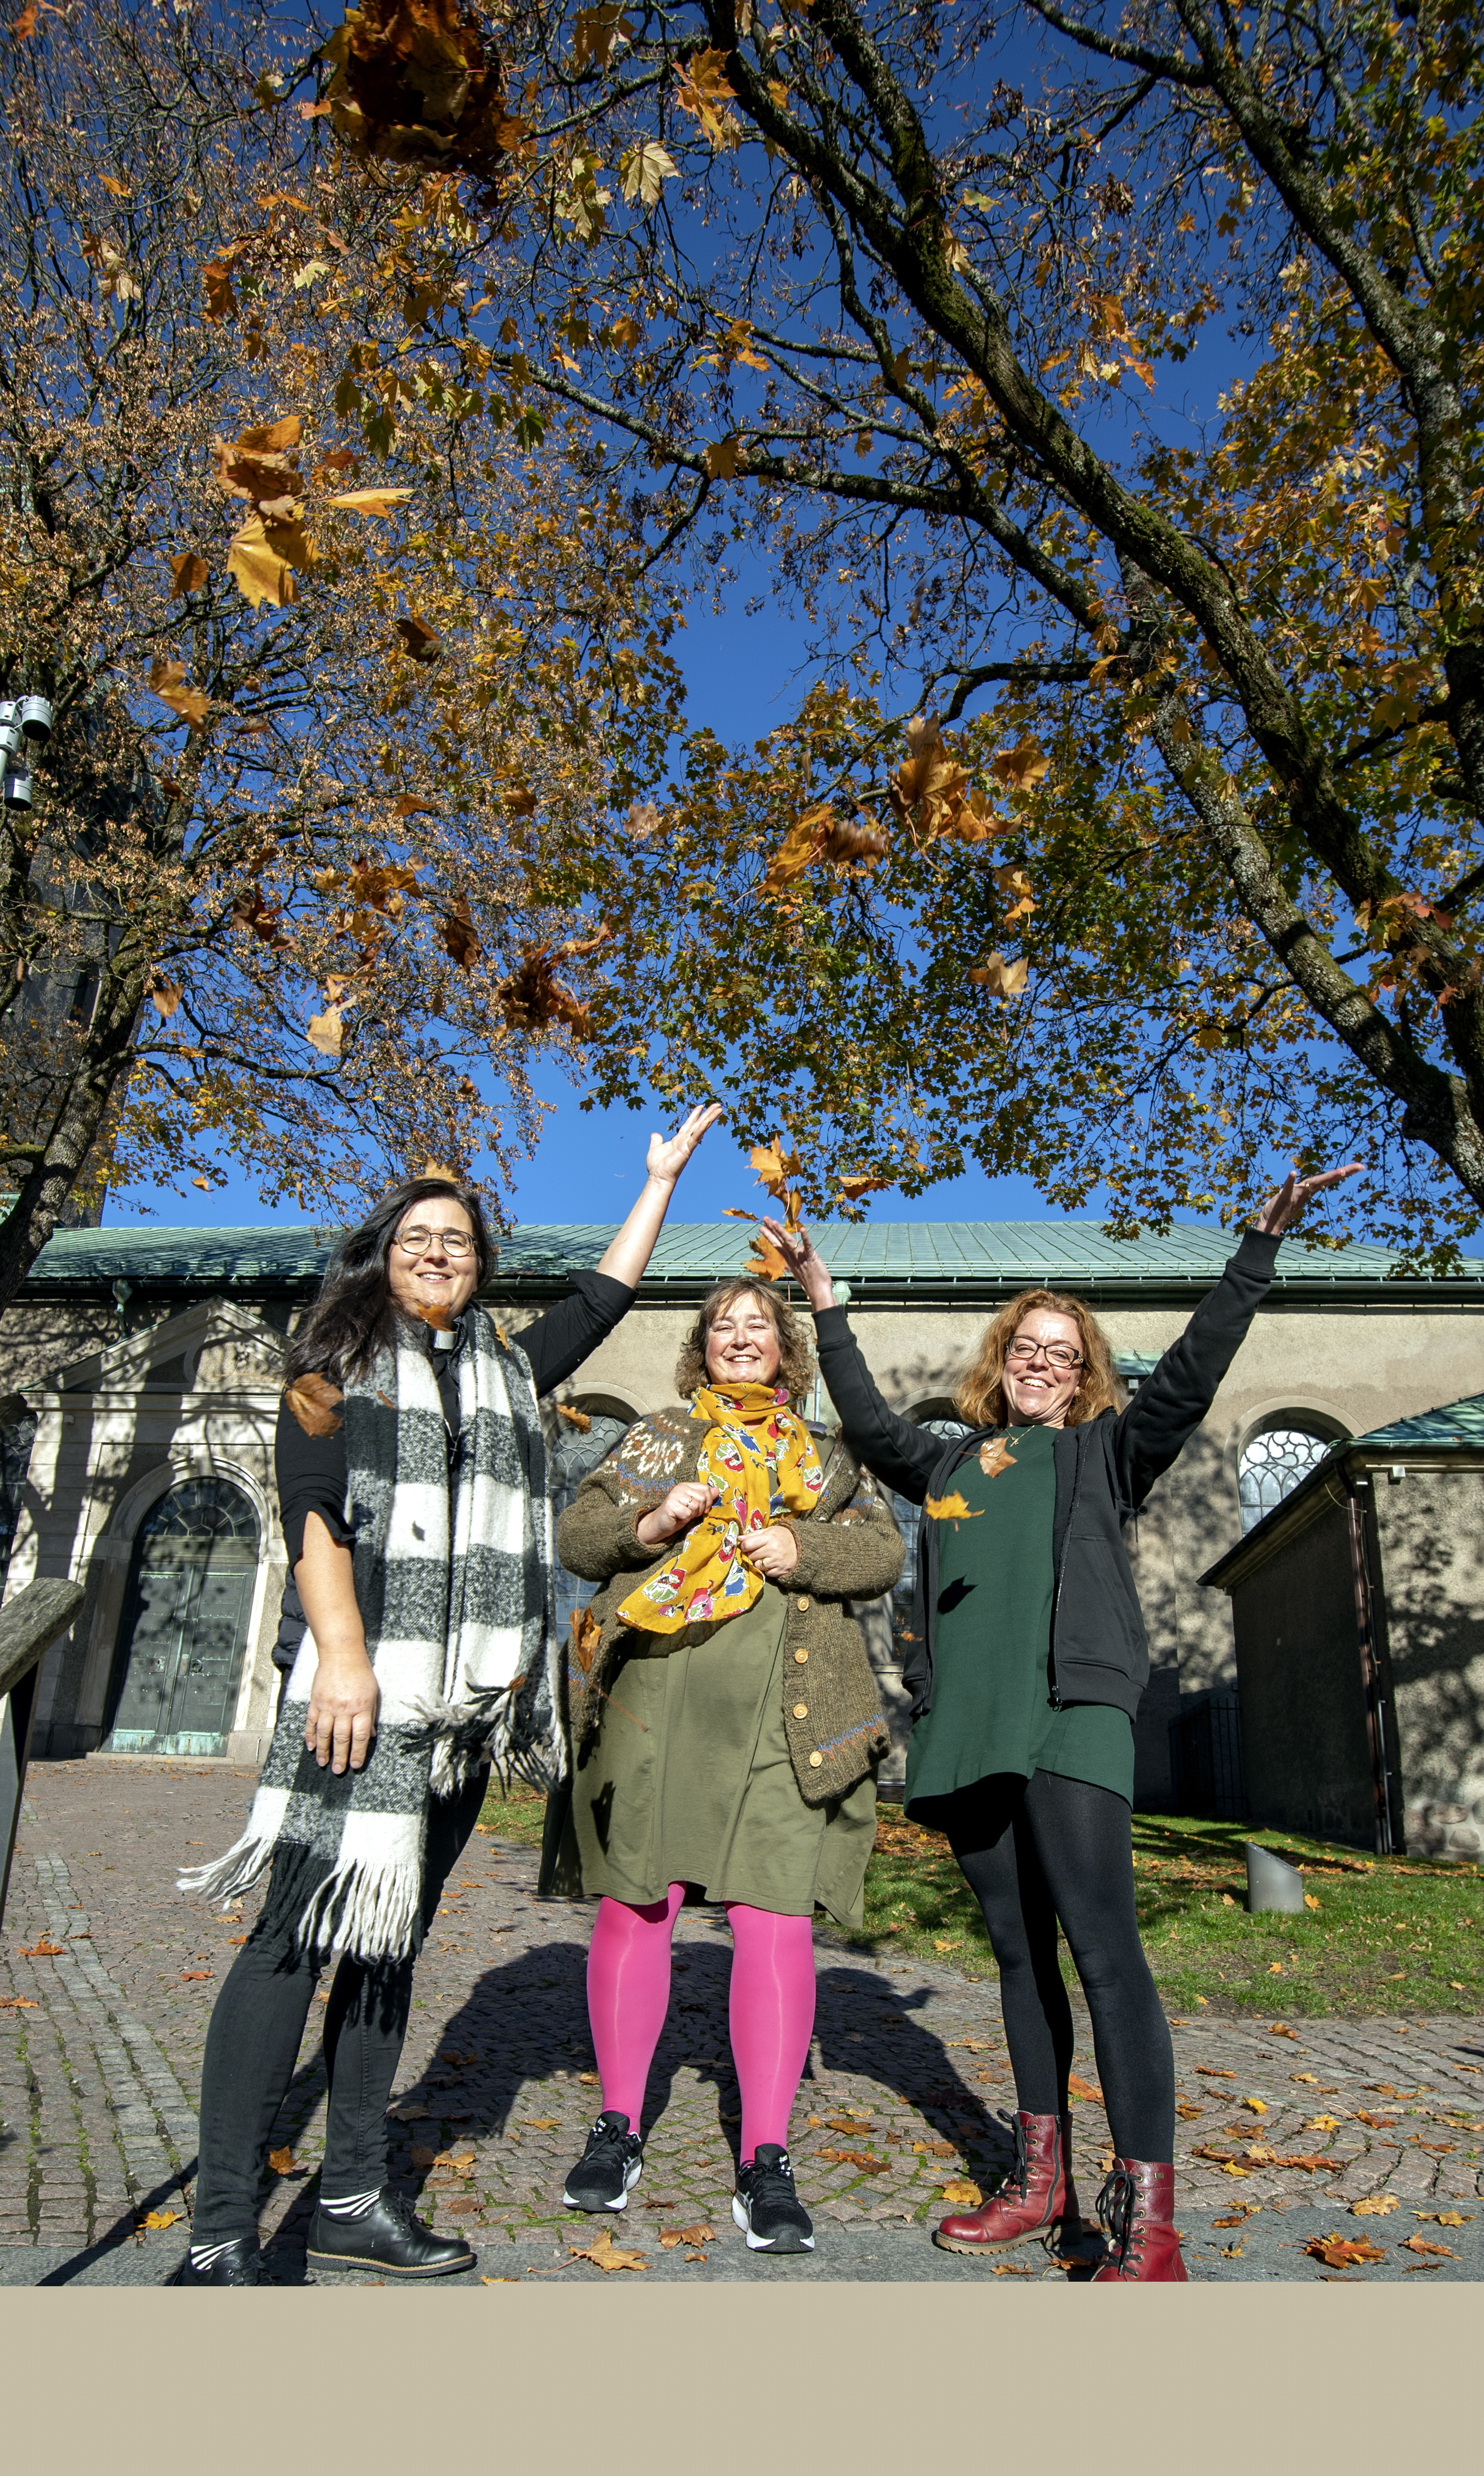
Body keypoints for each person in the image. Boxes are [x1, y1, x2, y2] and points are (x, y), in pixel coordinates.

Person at [763, 1164, 1360, 2282]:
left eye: (1063, 1352)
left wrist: (1253, 1251)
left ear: (1085, 1373)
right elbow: (869, 1422)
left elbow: (1187, 1377)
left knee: (1105, 1952)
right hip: (970, 1726)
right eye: (1025, 1349)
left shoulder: (1106, 1452)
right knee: (1016, 1955)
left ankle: (1151, 2221)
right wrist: (822, 1300)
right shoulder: (950, 1461)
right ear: (1002, 1364)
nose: (1042, 1363)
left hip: (1070, 1715)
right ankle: (1043, 2183)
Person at [174, 1109, 719, 2285]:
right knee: (292, 1940)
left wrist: (658, 1182)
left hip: (472, 1710)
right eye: (419, 1233)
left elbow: (605, 1296)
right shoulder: (330, 1358)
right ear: (383, 1250)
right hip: (360, 1693)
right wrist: (347, 1657)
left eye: (460, 1239)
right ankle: (220, 2229)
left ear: (479, 1263)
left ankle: (354, 2195)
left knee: (391, 1941)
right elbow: (312, 1508)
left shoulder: (508, 1370)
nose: (440, 1249)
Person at [545, 1278, 904, 2253]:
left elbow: (881, 1556)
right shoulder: (658, 1437)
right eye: (721, 1328)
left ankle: (766, 2156)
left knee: (773, 1912)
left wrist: (805, 1547)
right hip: (654, 1707)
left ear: (786, 1348)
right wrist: (650, 1526)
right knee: (637, 1904)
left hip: (784, 1719)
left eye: (757, 1327)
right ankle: (618, 2126)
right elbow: (578, 1535)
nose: (739, 1339)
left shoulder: (828, 1458)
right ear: (700, 1348)